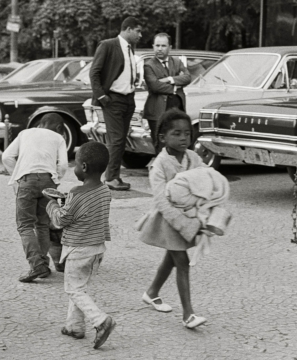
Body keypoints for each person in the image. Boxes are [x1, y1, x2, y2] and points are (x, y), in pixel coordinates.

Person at [45, 141, 116, 350]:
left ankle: (101, 321)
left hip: (78, 249)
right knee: (79, 287)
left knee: (73, 289)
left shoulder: (76, 193)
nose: (74, 169)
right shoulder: (105, 190)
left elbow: (61, 221)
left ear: (83, 167)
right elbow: (87, 208)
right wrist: (68, 201)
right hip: (97, 249)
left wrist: (51, 204)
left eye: (76, 165)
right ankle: (74, 326)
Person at [141, 108, 207, 329]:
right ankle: (188, 314)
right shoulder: (159, 164)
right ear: (163, 138)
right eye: (176, 133)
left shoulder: (193, 157)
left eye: (187, 133)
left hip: (189, 217)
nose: (183, 138)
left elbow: (207, 179)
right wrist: (185, 225)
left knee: (171, 259)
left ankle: (151, 293)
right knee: (182, 262)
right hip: (170, 220)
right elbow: (161, 200)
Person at [2, 113, 69, 282]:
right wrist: (55, 180)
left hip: (27, 180)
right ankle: (43, 263)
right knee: (43, 224)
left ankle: (36, 265)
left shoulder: (25, 133)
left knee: (25, 225)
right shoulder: (58, 138)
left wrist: (16, 175)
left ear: (40, 124)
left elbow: (6, 157)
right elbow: (63, 165)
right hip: (48, 181)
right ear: (60, 128)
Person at [89, 16, 142, 191]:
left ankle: (115, 176)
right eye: (138, 31)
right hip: (113, 100)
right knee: (116, 140)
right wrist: (102, 97)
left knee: (120, 140)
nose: (140, 35)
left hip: (128, 100)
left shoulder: (130, 49)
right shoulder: (108, 45)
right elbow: (94, 72)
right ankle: (111, 178)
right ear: (128, 29)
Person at [143, 33, 191, 155]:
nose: (159, 49)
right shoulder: (149, 65)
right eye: (157, 45)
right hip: (157, 113)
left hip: (177, 111)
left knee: (177, 144)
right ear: (153, 46)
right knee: (161, 147)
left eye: (163, 45)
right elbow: (154, 86)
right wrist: (176, 87)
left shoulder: (177, 62)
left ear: (170, 47)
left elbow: (187, 77)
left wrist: (169, 79)